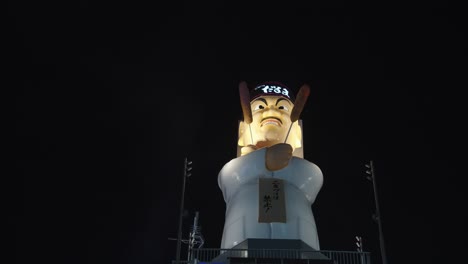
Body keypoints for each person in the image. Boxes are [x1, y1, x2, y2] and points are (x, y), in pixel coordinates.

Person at [218, 81, 324, 250]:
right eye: (260, 107)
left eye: (282, 108)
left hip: (300, 245)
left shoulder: (306, 170)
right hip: (240, 246)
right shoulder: (233, 169)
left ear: (297, 133)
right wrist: (262, 160)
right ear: (242, 132)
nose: (271, 111)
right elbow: (227, 178)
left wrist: (277, 162)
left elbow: (313, 178)